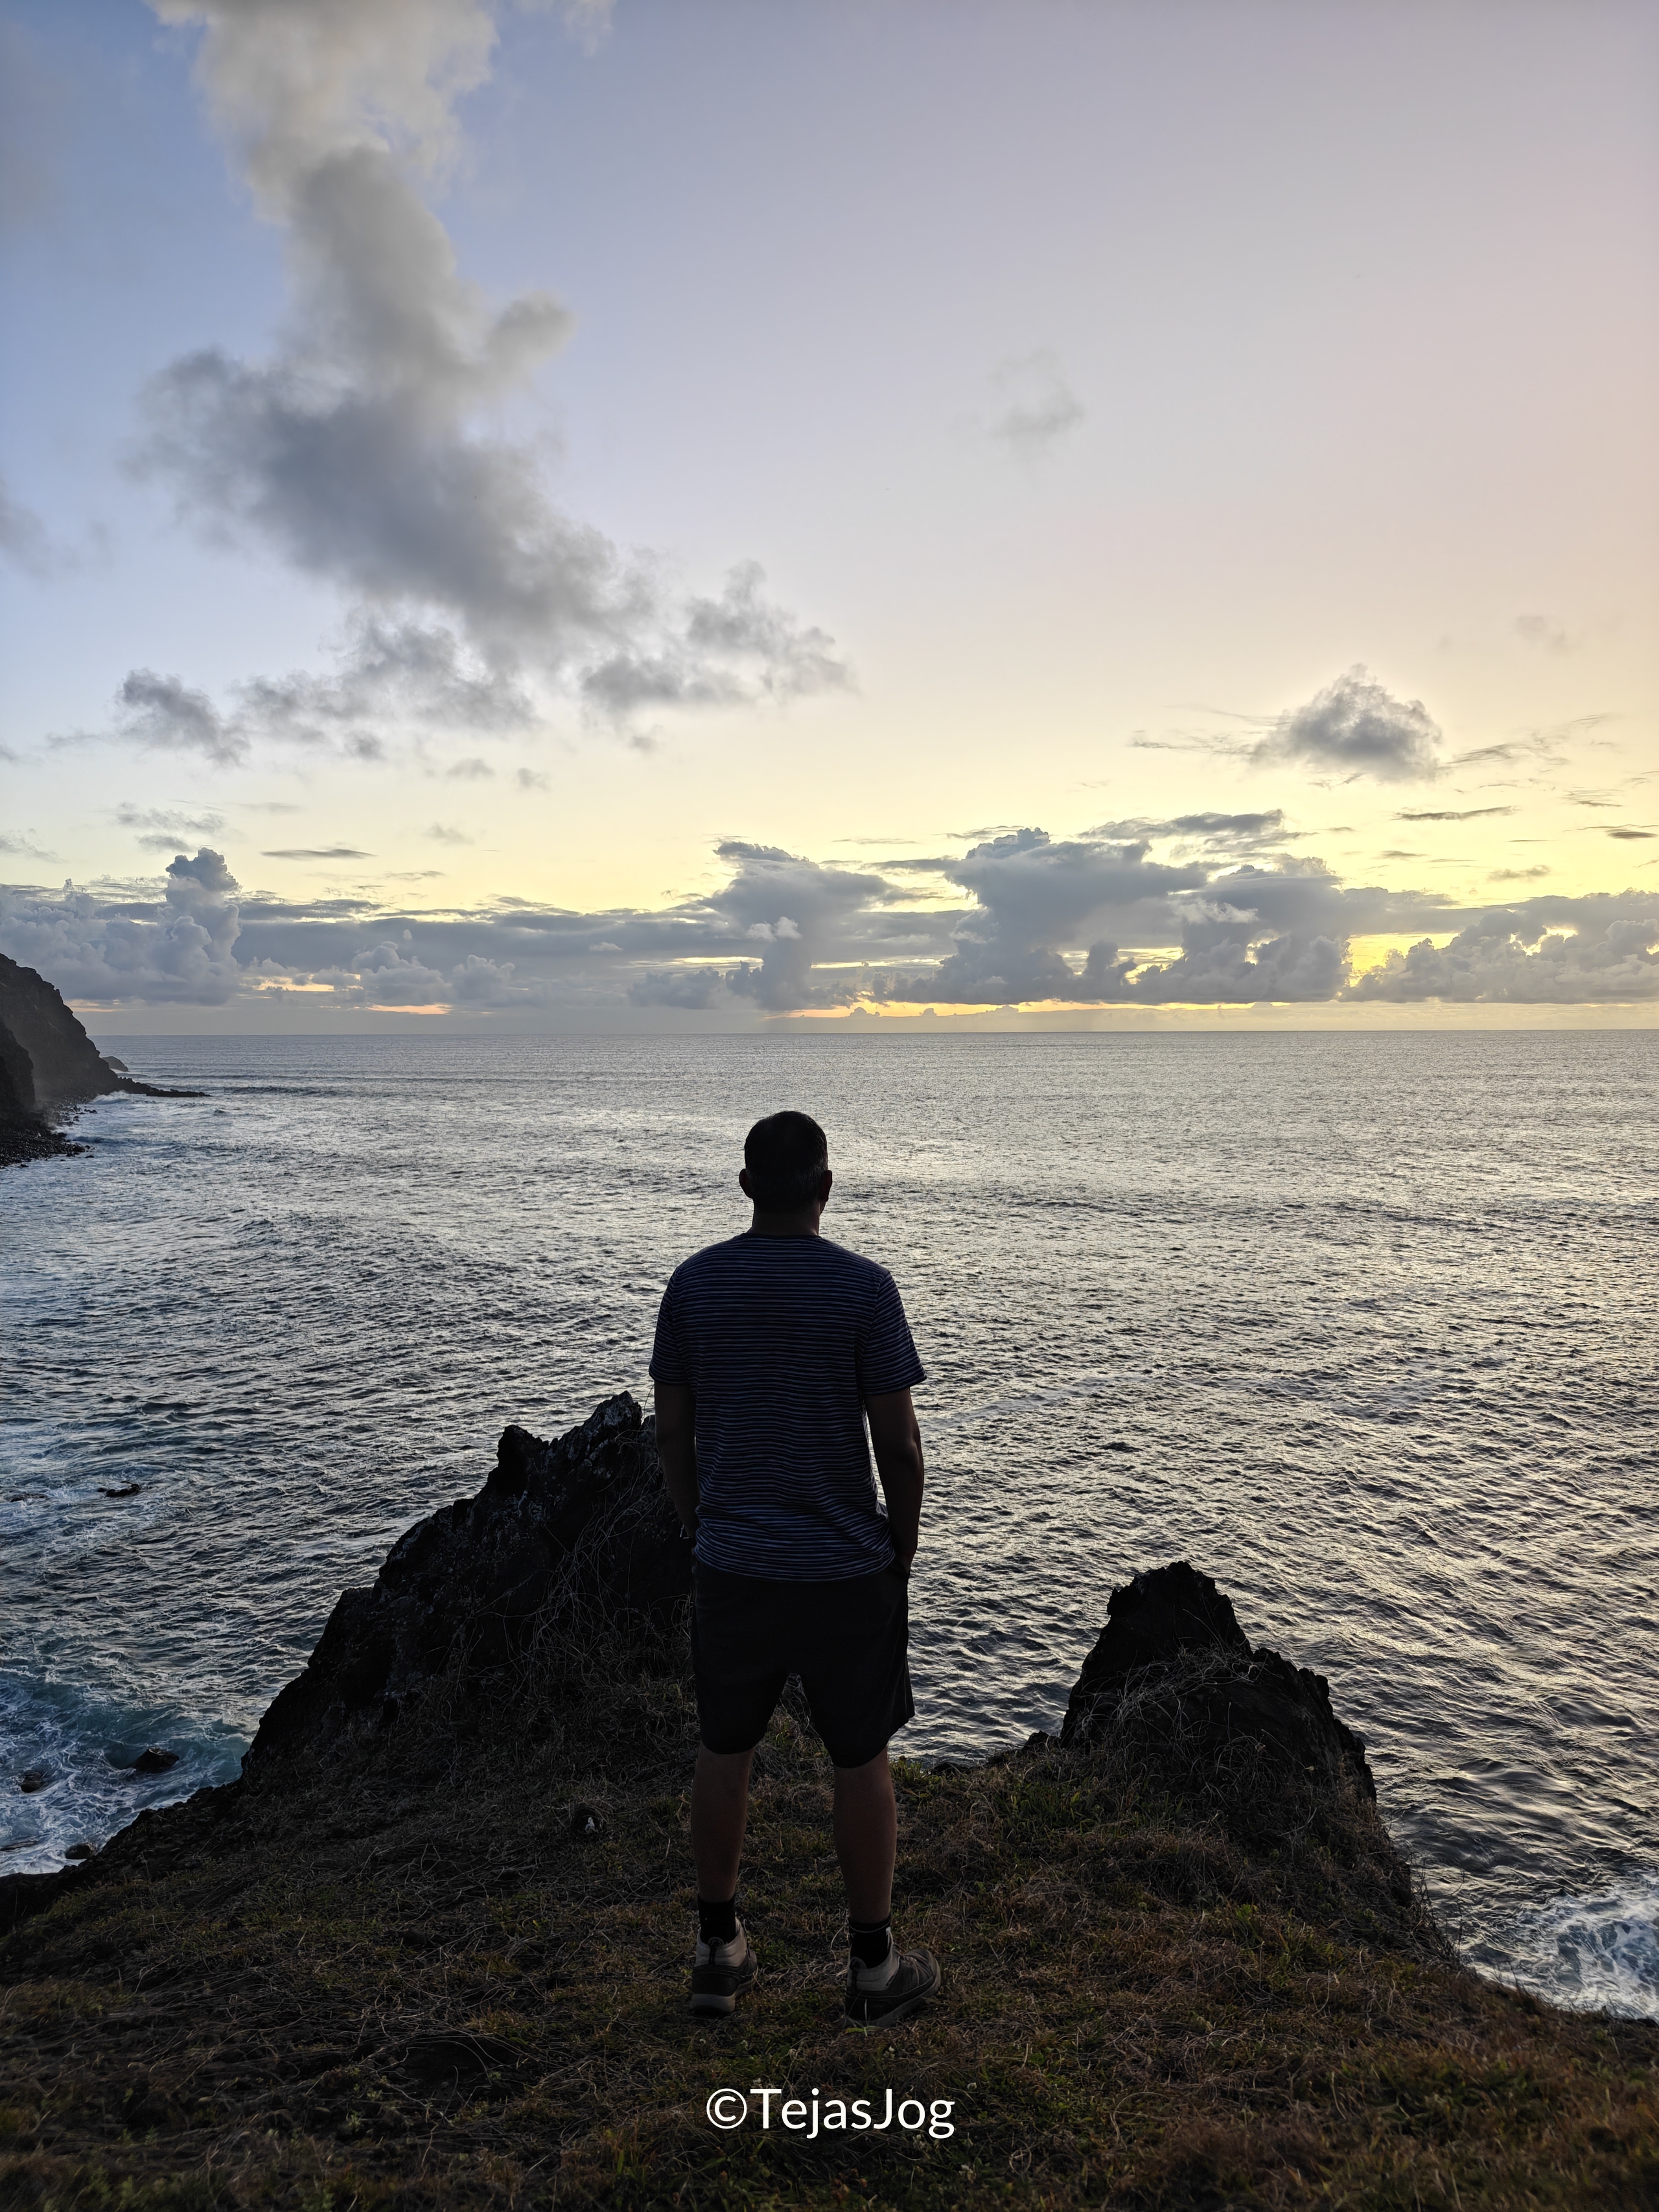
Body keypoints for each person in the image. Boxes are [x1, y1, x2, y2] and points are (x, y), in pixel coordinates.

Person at [650, 1110, 940, 2025]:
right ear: (826, 1186)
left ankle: (716, 1947)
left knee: (723, 1750)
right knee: (860, 1758)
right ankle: (872, 1963)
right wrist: (904, 1537)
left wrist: (701, 1523)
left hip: (733, 1562)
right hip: (843, 1569)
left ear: (745, 1186)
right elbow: (898, 1441)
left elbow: (671, 1431)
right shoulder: (864, 1289)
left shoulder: (693, 1286)